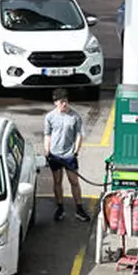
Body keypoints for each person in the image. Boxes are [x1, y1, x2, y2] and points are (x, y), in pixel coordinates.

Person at [44, 89, 90, 222]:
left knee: (74, 181)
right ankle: (60, 207)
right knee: (57, 181)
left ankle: (79, 209)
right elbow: (47, 135)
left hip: (69, 156)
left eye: (65, 101)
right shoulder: (50, 117)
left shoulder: (75, 117)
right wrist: (47, 151)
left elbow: (79, 135)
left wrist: (75, 151)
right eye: (61, 101)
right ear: (55, 103)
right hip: (55, 155)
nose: (64, 104)